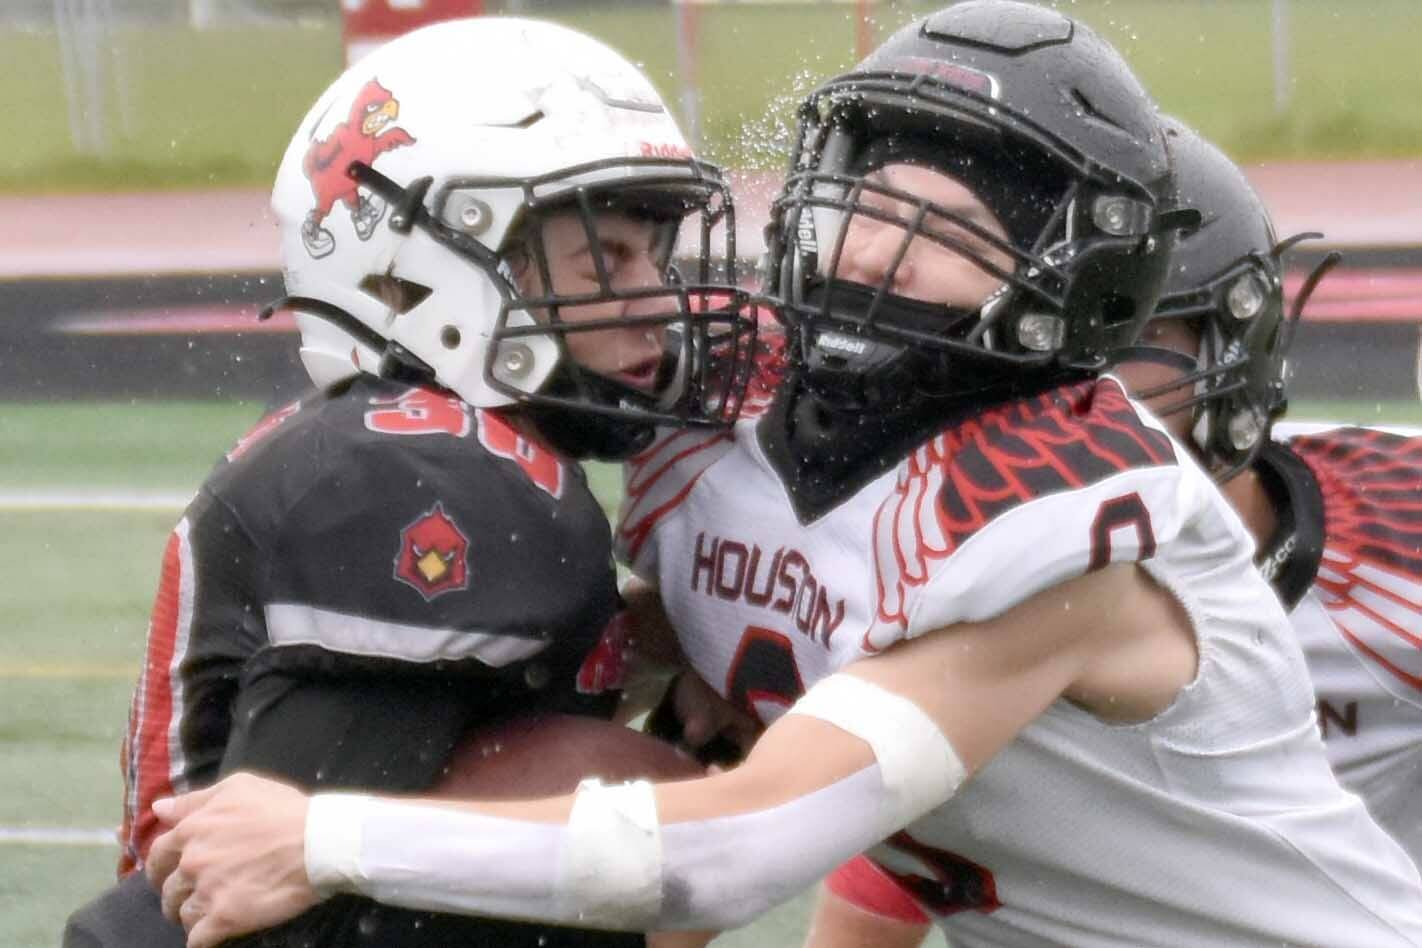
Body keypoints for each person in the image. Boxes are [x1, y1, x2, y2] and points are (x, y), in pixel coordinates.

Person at [143, 4, 1422, 947]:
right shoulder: (746, 415)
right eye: (868, 197)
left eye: (954, 230)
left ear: (1065, 296)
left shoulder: (1069, 527)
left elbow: (738, 849)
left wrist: (322, 837)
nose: (879, 248)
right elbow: (736, 647)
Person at [62, 16, 754, 948]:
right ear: (422, 270)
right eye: (606, 261)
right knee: (645, 809)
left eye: (653, 258)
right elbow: (286, 880)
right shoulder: (420, 471)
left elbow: (451, 747)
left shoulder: (443, 444)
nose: (657, 303)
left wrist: (675, 653)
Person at [796, 117, 1422, 948]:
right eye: (1040, 350)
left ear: (1235, 342)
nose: (1075, 401)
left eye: (1123, 344)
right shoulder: (947, 562)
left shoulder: (1391, 531)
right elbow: (892, 873)